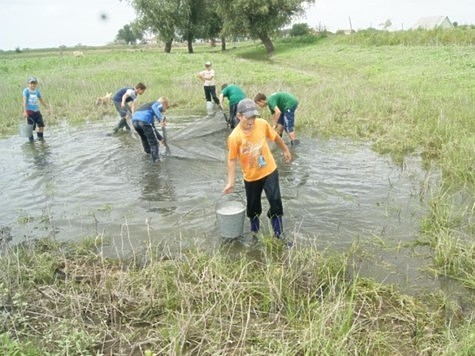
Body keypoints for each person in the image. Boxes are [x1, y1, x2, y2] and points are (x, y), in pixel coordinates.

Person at [223, 98, 292, 242]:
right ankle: (255, 233)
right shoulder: (234, 137)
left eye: (254, 117)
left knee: (275, 202)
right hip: (251, 177)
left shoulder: (262, 124)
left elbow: (276, 138)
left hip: (269, 170)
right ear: (239, 116)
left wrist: (285, 150)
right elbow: (231, 159)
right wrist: (230, 181)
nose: (251, 121)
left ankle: (279, 235)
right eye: (248, 118)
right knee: (253, 207)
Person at [131, 97, 170, 163]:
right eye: (166, 108)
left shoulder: (147, 108)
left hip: (135, 121)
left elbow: (152, 128)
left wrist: (160, 138)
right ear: (164, 104)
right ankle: (156, 161)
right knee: (154, 143)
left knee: (144, 138)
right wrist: (161, 119)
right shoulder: (157, 103)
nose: (164, 111)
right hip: (144, 120)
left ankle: (148, 154)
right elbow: (155, 107)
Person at [22, 76, 49, 142]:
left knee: (41, 126)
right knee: (30, 128)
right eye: (31, 83)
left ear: (36, 84)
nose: (33, 85)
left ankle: (41, 139)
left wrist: (47, 108)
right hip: (30, 112)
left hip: (37, 111)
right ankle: (31, 143)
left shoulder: (37, 91)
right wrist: (25, 112)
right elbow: (24, 102)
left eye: (34, 83)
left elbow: (41, 100)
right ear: (28, 84)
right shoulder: (26, 91)